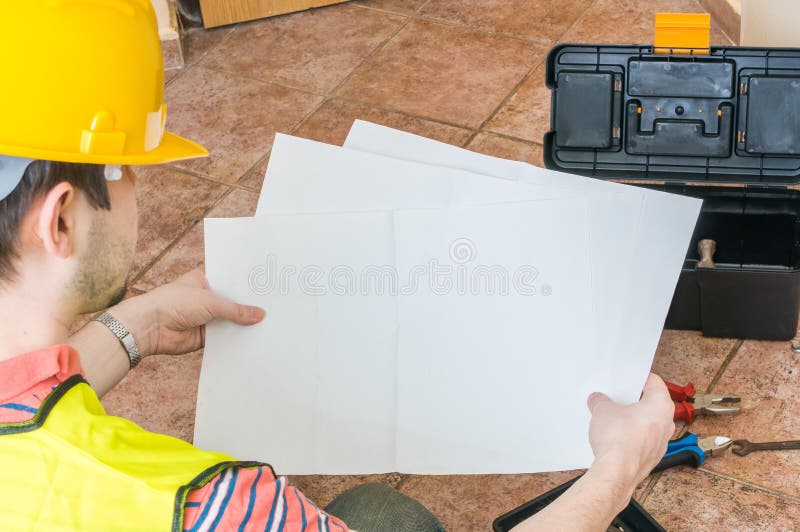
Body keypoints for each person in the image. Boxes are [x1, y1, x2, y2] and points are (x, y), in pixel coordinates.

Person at [0, 1, 675, 530]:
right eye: (129, 177)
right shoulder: (209, 505)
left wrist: (134, 327)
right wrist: (617, 470)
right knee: (386, 517)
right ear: (61, 220)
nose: (136, 197)